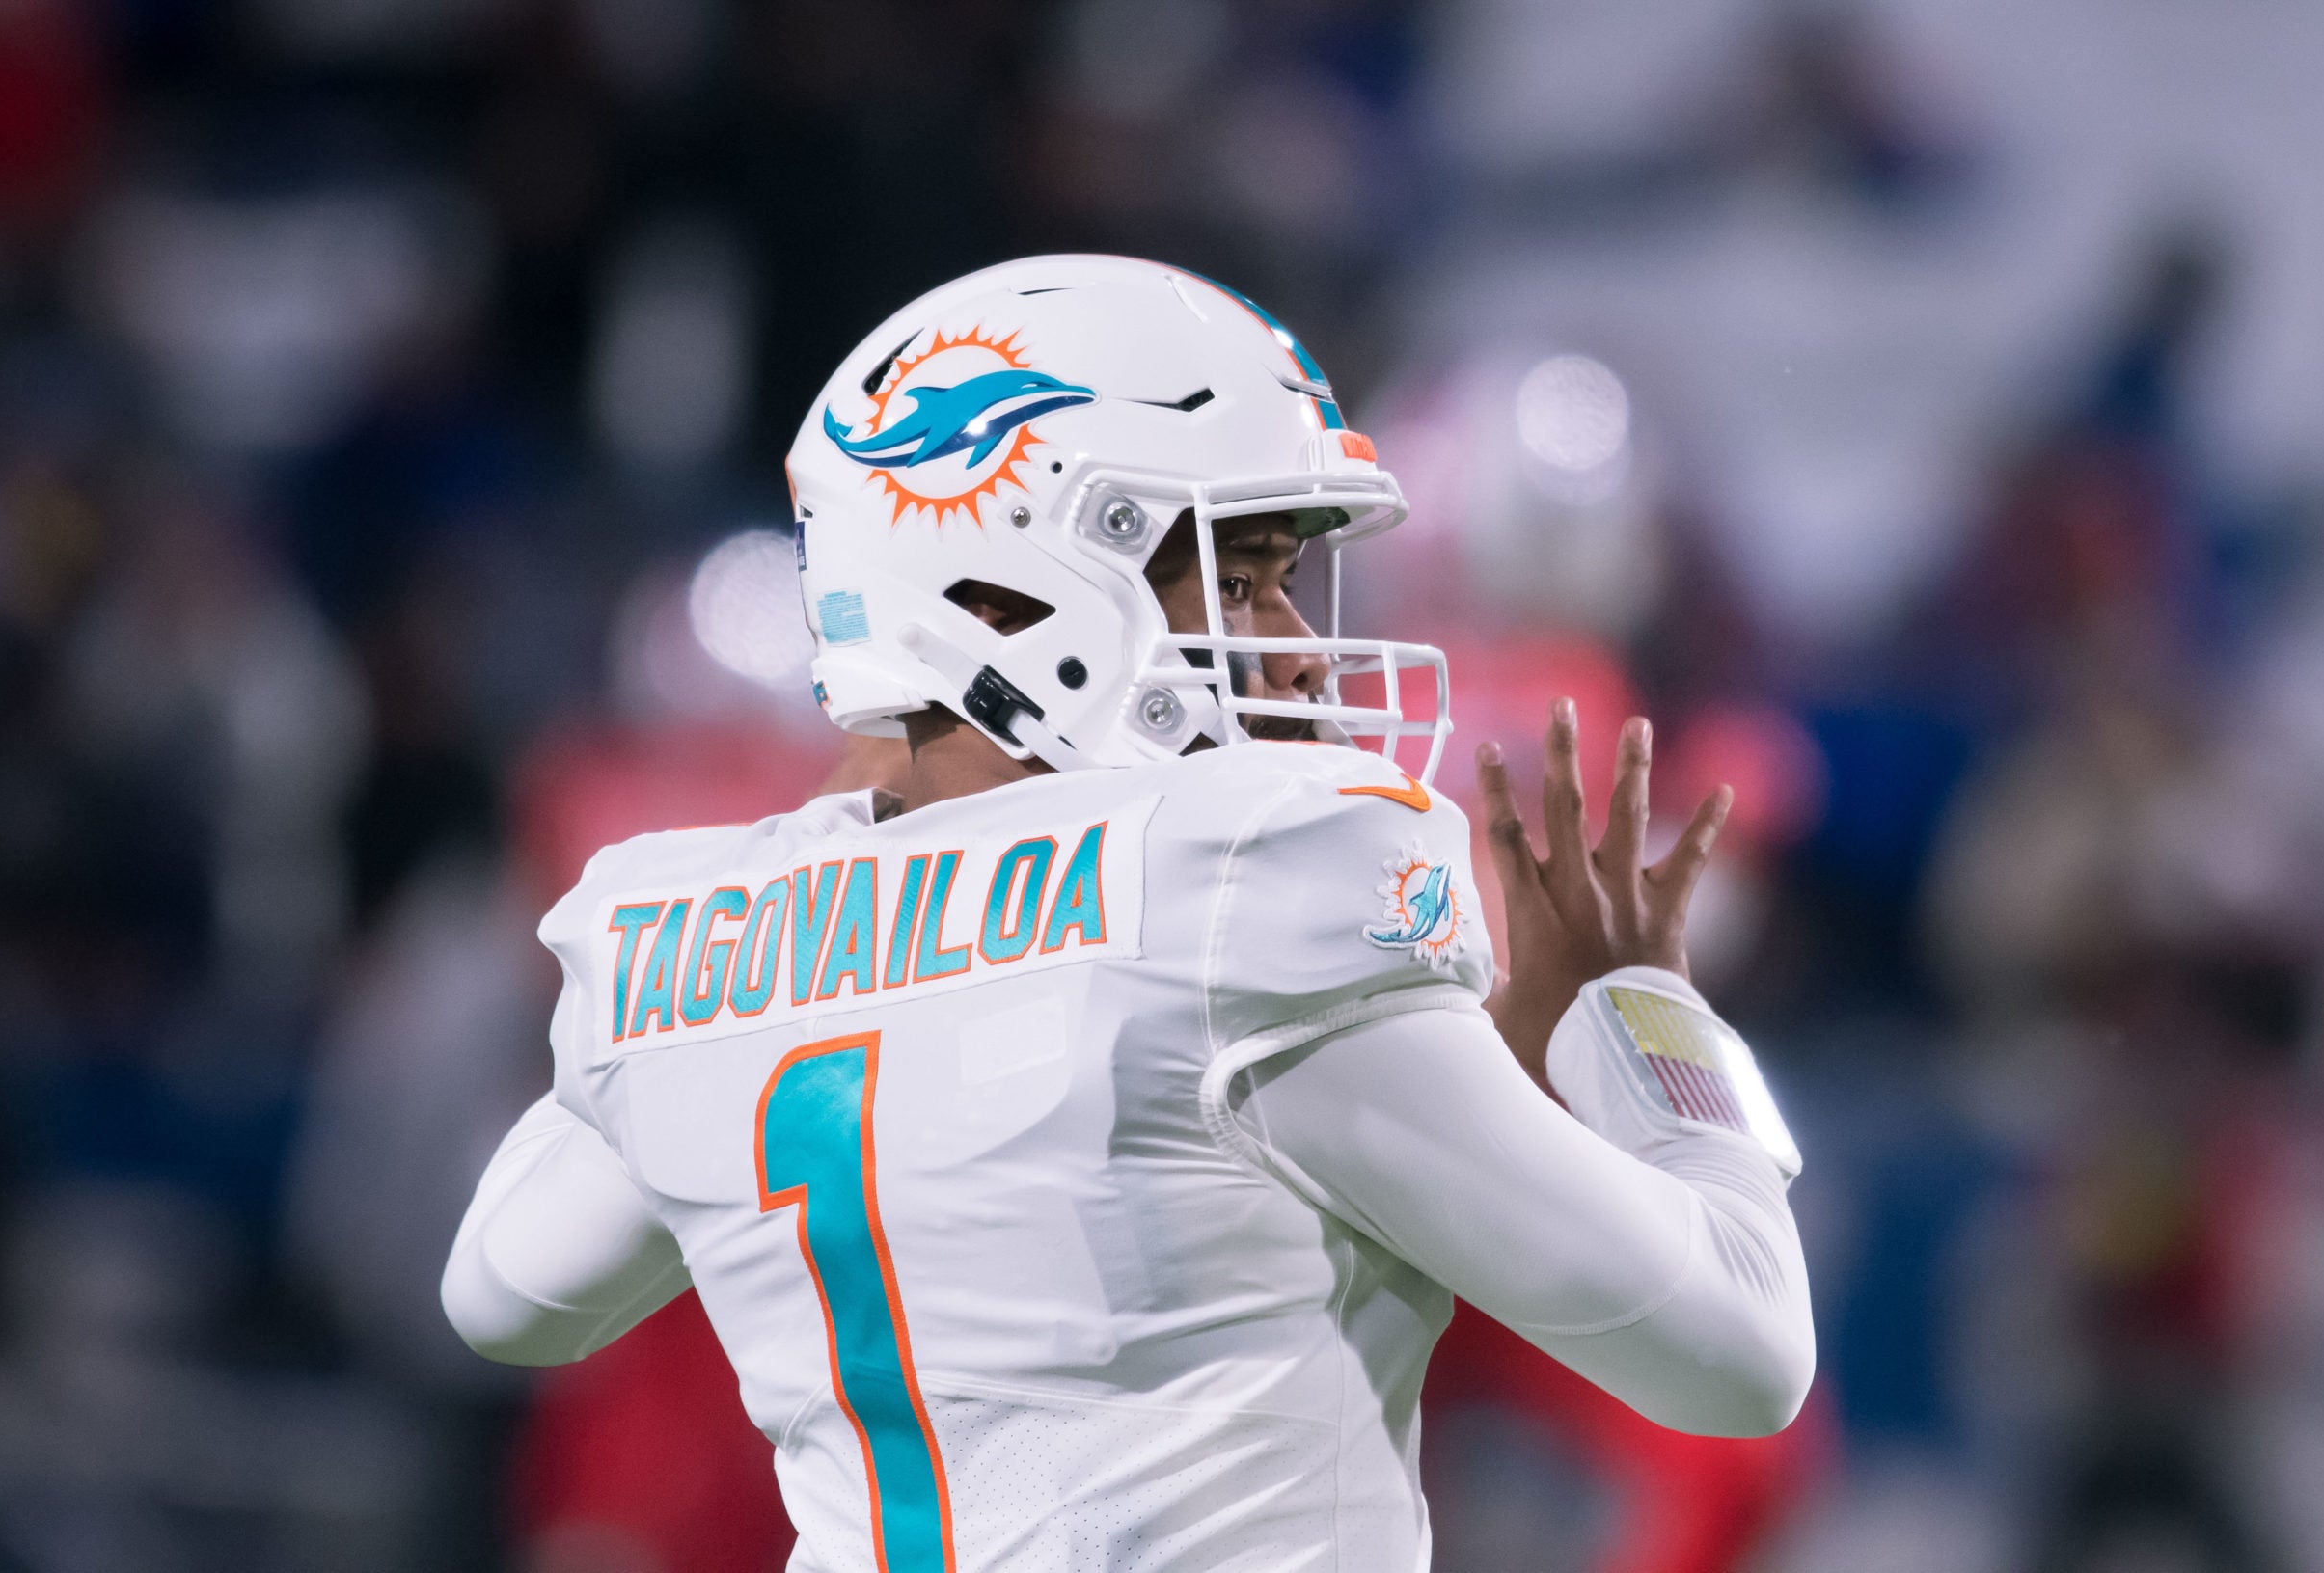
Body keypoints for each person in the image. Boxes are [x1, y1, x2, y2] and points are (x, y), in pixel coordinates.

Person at [444, 256, 1812, 1571]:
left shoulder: (691, 926)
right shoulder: (1241, 889)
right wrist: (1638, 1011)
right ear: (1000, 593)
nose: (1296, 644)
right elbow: (1742, 1356)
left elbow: (503, 1297)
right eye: (1241, 575)